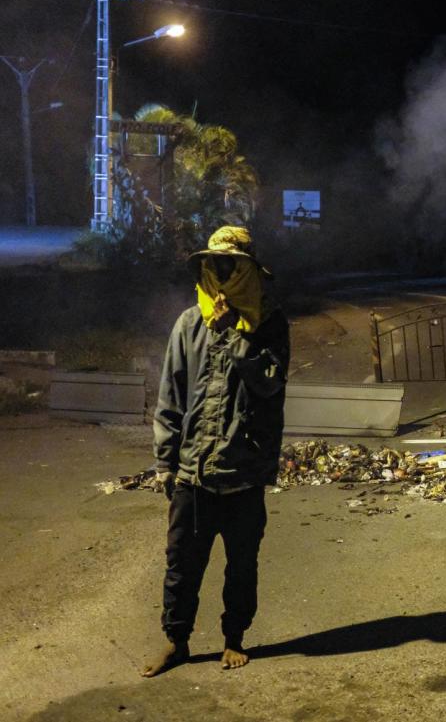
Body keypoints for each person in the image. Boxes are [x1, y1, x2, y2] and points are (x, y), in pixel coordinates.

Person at [141, 225, 290, 677]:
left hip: (243, 472)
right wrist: (166, 463)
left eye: (232, 265)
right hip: (193, 473)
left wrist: (239, 337)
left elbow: (270, 382)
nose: (222, 273)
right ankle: (177, 640)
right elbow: (171, 394)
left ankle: (233, 639)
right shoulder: (190, 323)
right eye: (215, 264)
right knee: (182, 563)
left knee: (241, 564)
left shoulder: (269, 322)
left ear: (248, 271)